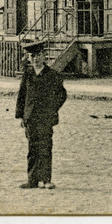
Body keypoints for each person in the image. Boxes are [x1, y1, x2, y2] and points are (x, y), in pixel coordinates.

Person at [15, 40, 67, 190]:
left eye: (38, 55)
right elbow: (22, 96)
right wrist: (21, 116)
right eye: (32, 56)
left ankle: (46, 180)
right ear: (28, 58)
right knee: (32, 149)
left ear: (44, 55)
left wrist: (51, 109)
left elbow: (61, 95)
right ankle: (32, 180)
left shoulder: (53, 75)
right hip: (30, 118)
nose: (35, 59)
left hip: (45, 119)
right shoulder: (28, 75)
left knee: (45, 148)